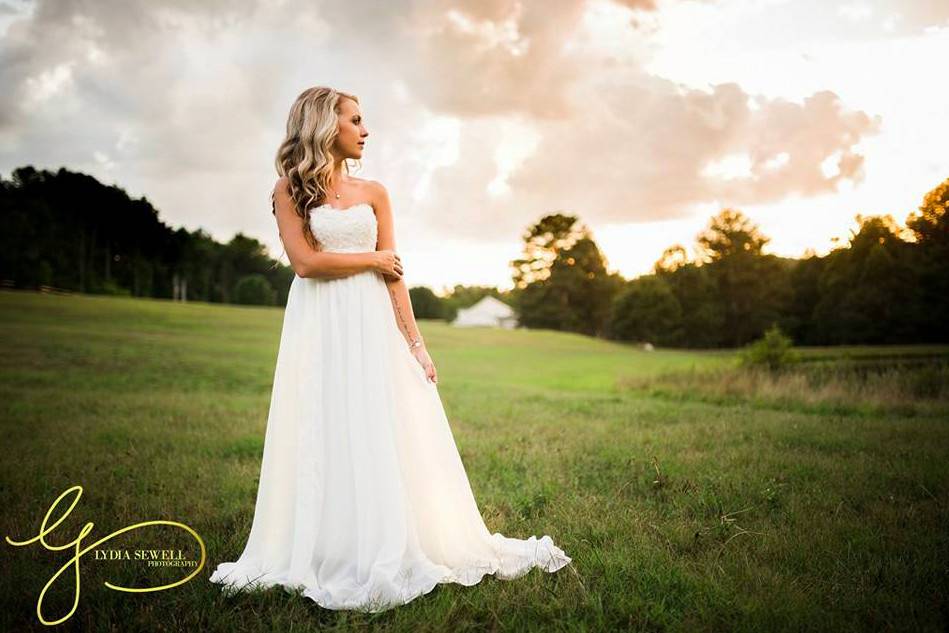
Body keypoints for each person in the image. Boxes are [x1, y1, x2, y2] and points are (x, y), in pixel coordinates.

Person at [208, 86, 572, 612]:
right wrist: (373, 261)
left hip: (372, 322)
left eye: (363, 120)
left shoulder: (375, 192)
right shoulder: (289, 190)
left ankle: (386, 537)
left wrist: (417, 345)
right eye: (355, 120)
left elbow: (396, 275)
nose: (365, 129)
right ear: (324, 127)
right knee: (324, 424)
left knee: (380, 424)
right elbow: (305, 263)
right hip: (319, 323)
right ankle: (326, 542)